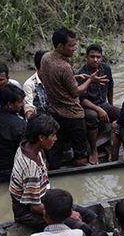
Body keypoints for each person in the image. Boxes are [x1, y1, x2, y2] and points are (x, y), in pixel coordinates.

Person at [8, 114, 97, 232]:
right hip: (28, 212)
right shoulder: (31, 169)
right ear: (41, 138)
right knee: (82, 227)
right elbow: (34, 207)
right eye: (53, 135)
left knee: (90, 216)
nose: (55, 139)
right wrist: (68, 214)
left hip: (43, 198)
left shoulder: (26, 145)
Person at [39, 27, 102, 168]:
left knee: (55, 150)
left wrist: (76, 77)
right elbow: (75, 92)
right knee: (81, 155)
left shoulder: (46, 58)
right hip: (72, 115)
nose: (74, 48)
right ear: (60, 46)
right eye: (71, 45)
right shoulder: (64, 66)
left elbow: (51, 78)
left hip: (54, 112)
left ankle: (54, 172)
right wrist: (90, 80)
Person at [77, 44, 120, 164]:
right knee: (92, 116)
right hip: (87, 106)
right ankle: (93, 150)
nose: (95, 59)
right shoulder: (81, 73)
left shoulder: (105, 69)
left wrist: (111, 105)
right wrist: (98, 109)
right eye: (92, 57)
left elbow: (110, 86)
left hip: (103, 103)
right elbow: (82, 100)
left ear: (101, 58)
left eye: (98, 57)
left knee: (121, 114)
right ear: (86, 57)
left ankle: (114, 144)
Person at [23, 50, 50, 120]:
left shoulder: (55, 79)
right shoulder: (29, 84)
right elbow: (28, 108)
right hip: (39, 122)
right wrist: (30, 112)